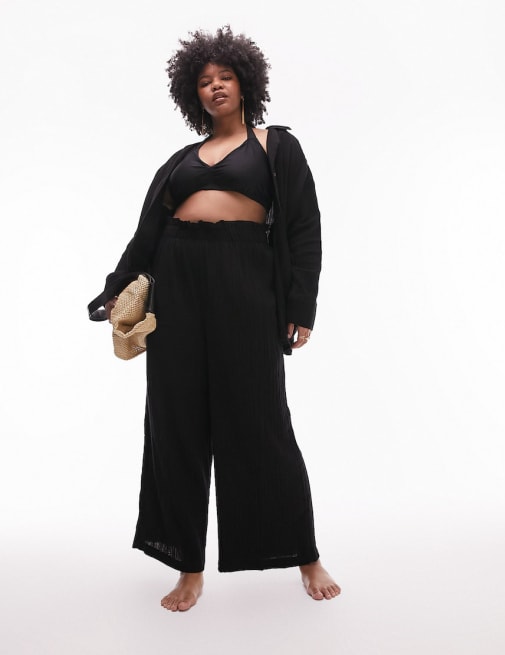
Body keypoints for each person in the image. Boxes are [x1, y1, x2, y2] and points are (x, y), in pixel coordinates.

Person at [88, 25, 340, 612]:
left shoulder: (276, 147)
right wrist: (114, 289)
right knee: (176, 422)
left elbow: (304, 228)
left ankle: (304, 554)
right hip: (177, 283)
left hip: (245, 282)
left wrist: (300, 306)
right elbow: (147, 234)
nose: (216, 86)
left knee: (261, 420)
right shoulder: (179, 161)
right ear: (192, 93)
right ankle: (188, 567)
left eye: (225, 76)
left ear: (245, 82)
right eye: (204, 81)